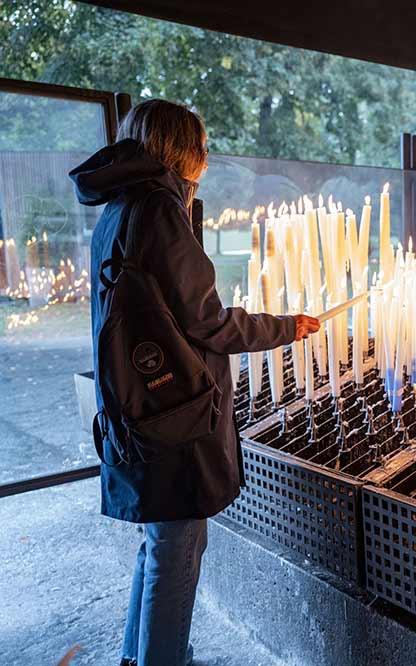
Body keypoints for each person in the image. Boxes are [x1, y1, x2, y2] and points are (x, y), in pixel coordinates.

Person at [69, 99, 320, 666]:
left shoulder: (120, 206)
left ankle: (139, 656)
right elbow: (207, 321)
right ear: (186, 150)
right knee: (177, 547)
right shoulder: (159, 209)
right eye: (202, 147)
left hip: (134, 405)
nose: (206, 158)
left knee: (159, 542)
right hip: (171, 413)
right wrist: (285, 327)